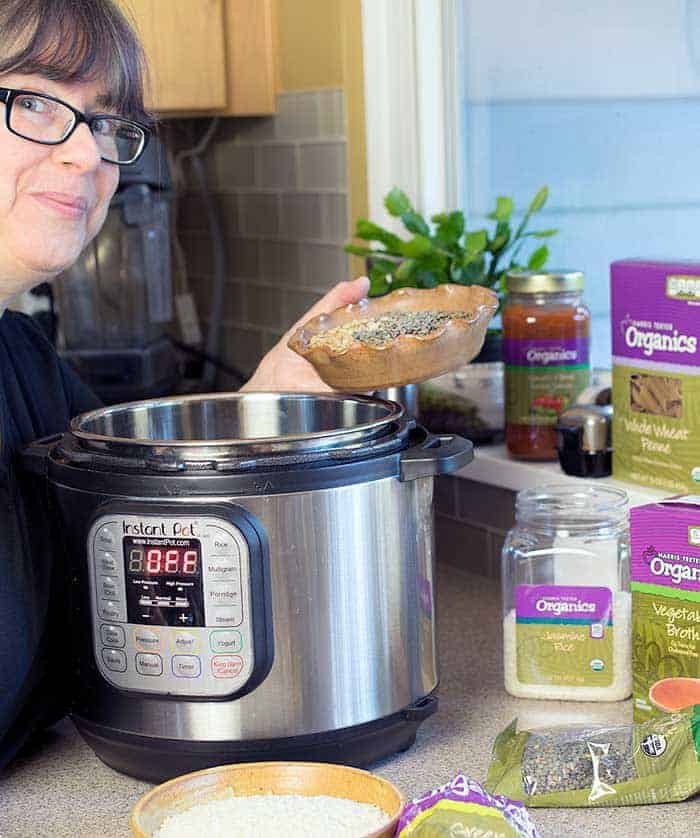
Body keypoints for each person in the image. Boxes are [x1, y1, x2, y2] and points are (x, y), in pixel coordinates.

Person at [0, 0, 368, 771]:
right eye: (33, 101)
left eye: (103, 123)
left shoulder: (22, 356)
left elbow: (135, 526)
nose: (87, 157)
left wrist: (257, 412)